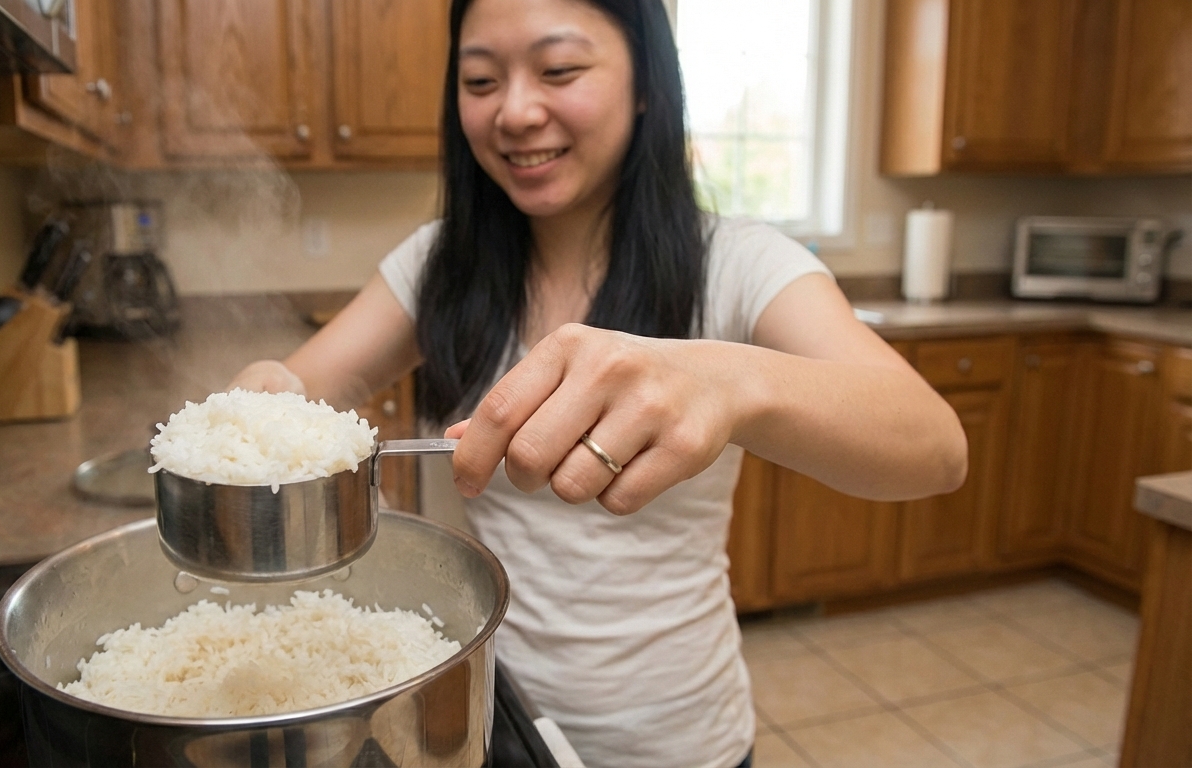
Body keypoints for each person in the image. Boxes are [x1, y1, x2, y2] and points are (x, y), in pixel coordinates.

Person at [232, 0, 967, 765]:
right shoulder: (438, 264)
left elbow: (935, 446)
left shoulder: (743, 263)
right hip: (488, 717)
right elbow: (288, 395)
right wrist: (260, 395)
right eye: (480, 80)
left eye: (560, 70)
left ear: (646, 83)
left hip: (677, 738)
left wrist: (730, 381)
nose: (515, 111)